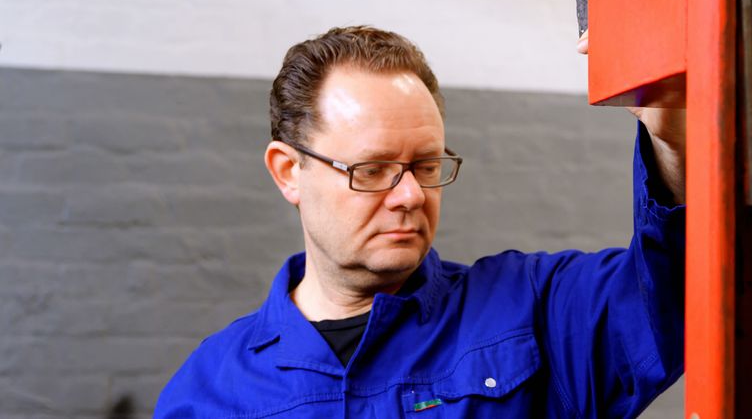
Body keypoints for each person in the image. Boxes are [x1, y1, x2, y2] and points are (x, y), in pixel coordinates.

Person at [155, 26, 687, 418]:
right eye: (373, 169)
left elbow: (676, 287)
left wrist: (674, 136)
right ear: (289, 171)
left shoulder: (535, 313)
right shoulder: (211, 391)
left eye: (426, 166)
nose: (410, 195)